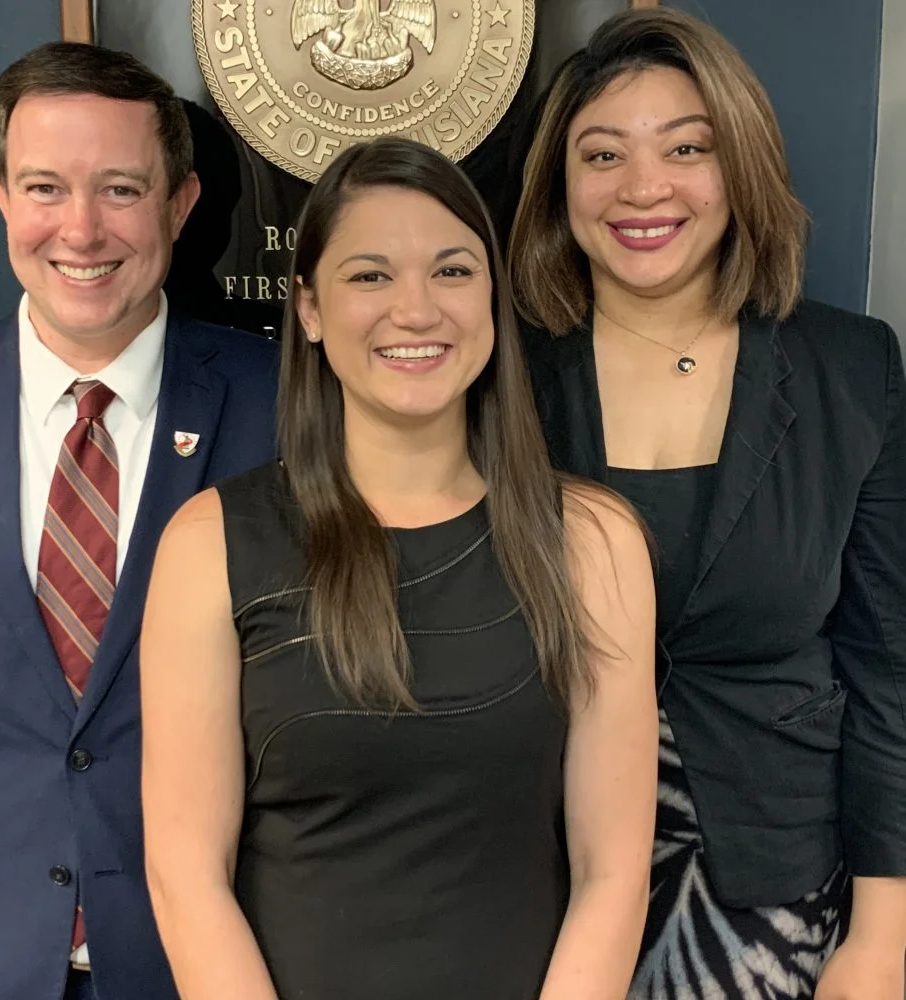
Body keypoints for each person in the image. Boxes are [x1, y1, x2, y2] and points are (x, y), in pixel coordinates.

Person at [139, 136, 657, 999]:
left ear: (492, 297)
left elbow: (613, 872)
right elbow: (186, 873)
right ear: (309, 308)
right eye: (370, 275)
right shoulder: (208, 545)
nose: (416, 311)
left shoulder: (591, 542)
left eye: (452, 271)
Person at [508, 9, 906, 1000]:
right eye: (603, 154)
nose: (643, 187)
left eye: (687, 148)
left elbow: (887, 672)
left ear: (741, 166)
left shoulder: (850, 369)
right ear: (560, 186)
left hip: (766, 897)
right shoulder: (500, 373)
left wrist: (882, 939)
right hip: (527, 884)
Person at [0, 42, 278, 1000]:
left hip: (207, 962)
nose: (80, 229)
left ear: (180, 204)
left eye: (120, 189)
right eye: (44, 188)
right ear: (0, 194)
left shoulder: (287, 411)